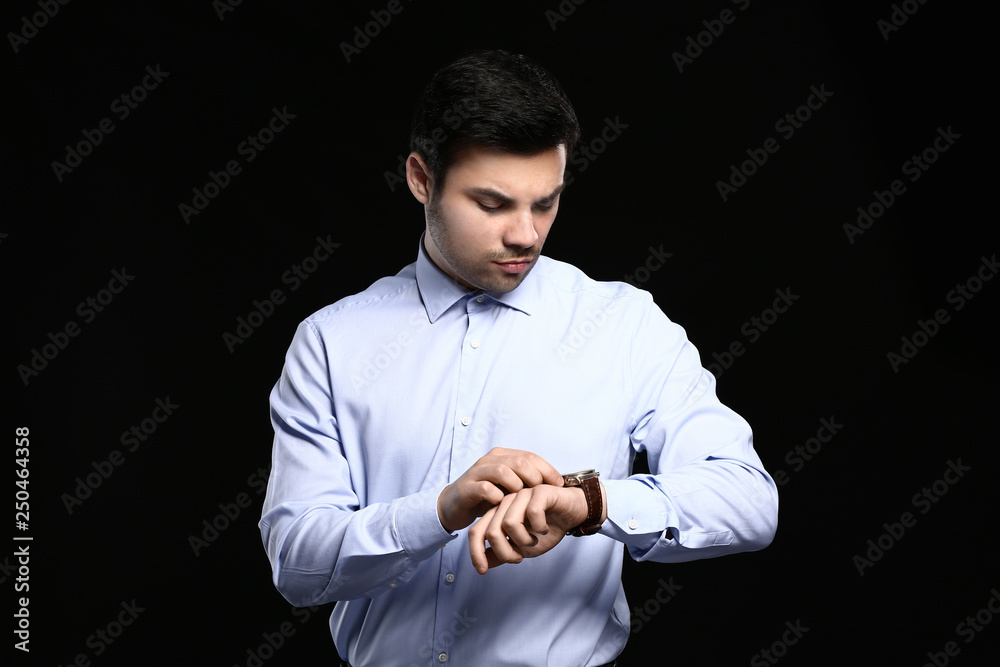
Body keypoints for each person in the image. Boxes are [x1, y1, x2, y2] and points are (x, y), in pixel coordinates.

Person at [260, 49, 778, 667]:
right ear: (421, 179)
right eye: (492, 204)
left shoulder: (624, 325)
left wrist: (592, 504)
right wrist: (438, 511)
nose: (526, 235)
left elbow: (747, 500)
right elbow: (297, 563)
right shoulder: (331, 342)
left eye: (546, 203)